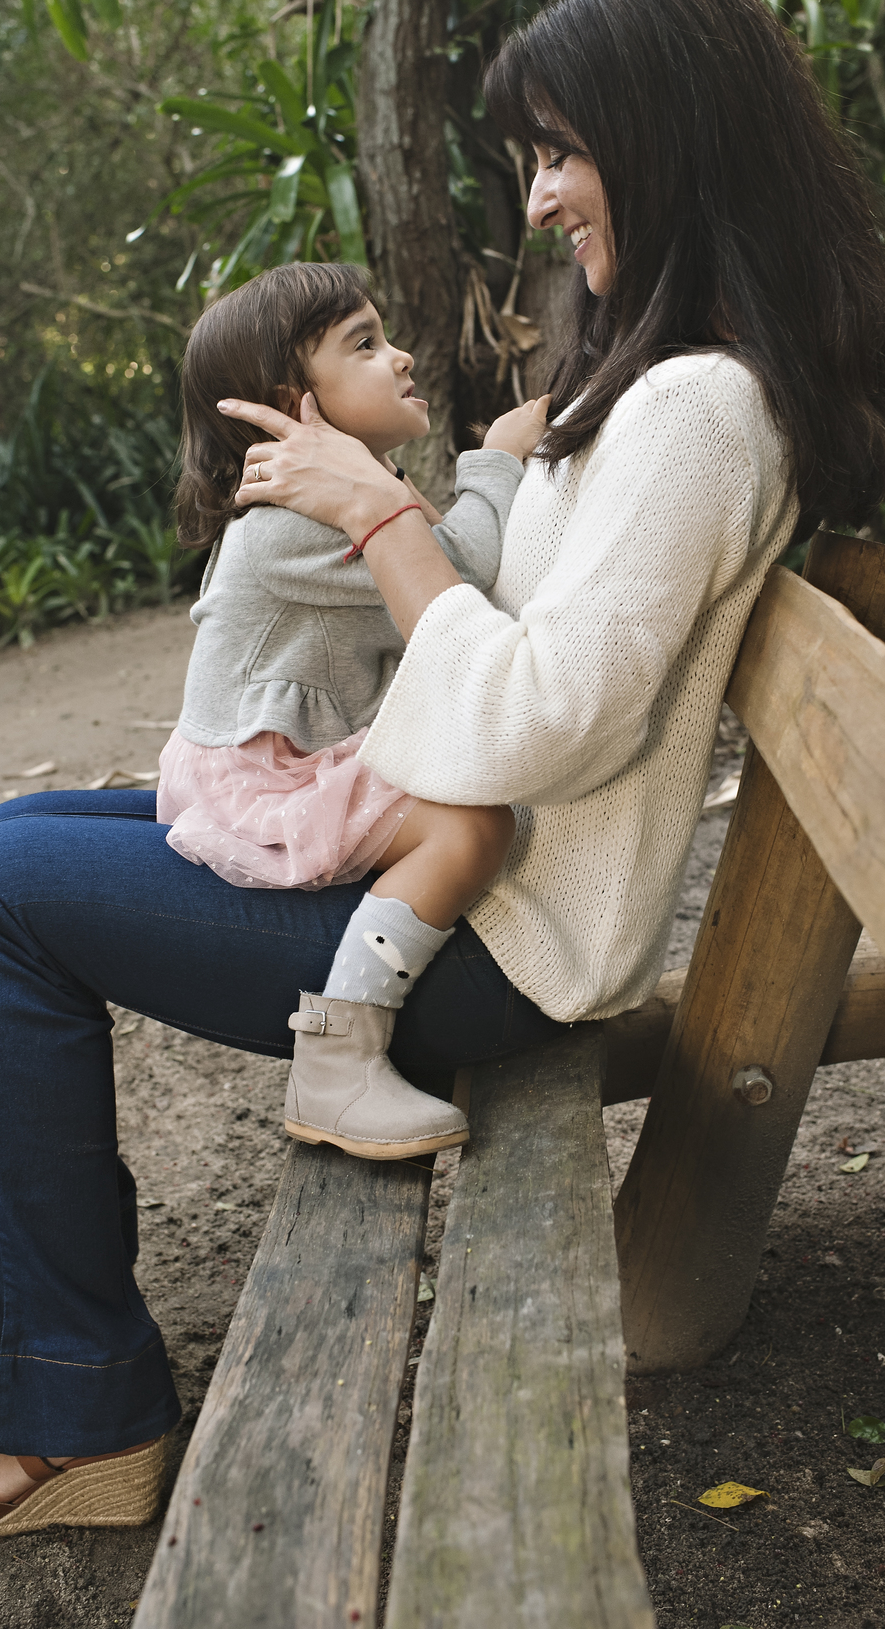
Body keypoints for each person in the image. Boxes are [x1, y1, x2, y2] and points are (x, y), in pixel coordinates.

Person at [0, 0, 885, 1538]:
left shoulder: (701, 408)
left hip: (492, 937)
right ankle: (41, 1375)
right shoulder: (666, 385)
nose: (546, 199)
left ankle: (64, 1408)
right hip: (458, 870)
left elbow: (539, 717)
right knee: (7, 857)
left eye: (564, 151)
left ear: (672, 136)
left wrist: (381, 517)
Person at [156, 260, 550, 1160]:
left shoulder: (336, 499)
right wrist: (500, 457)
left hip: (285, 752)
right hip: (259, 779)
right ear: (300, 407)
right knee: (469, 829)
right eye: (365, 345)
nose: (401, 357)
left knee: (468, 808)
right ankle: (336, 1060)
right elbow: (460, 573)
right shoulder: (303, 520)